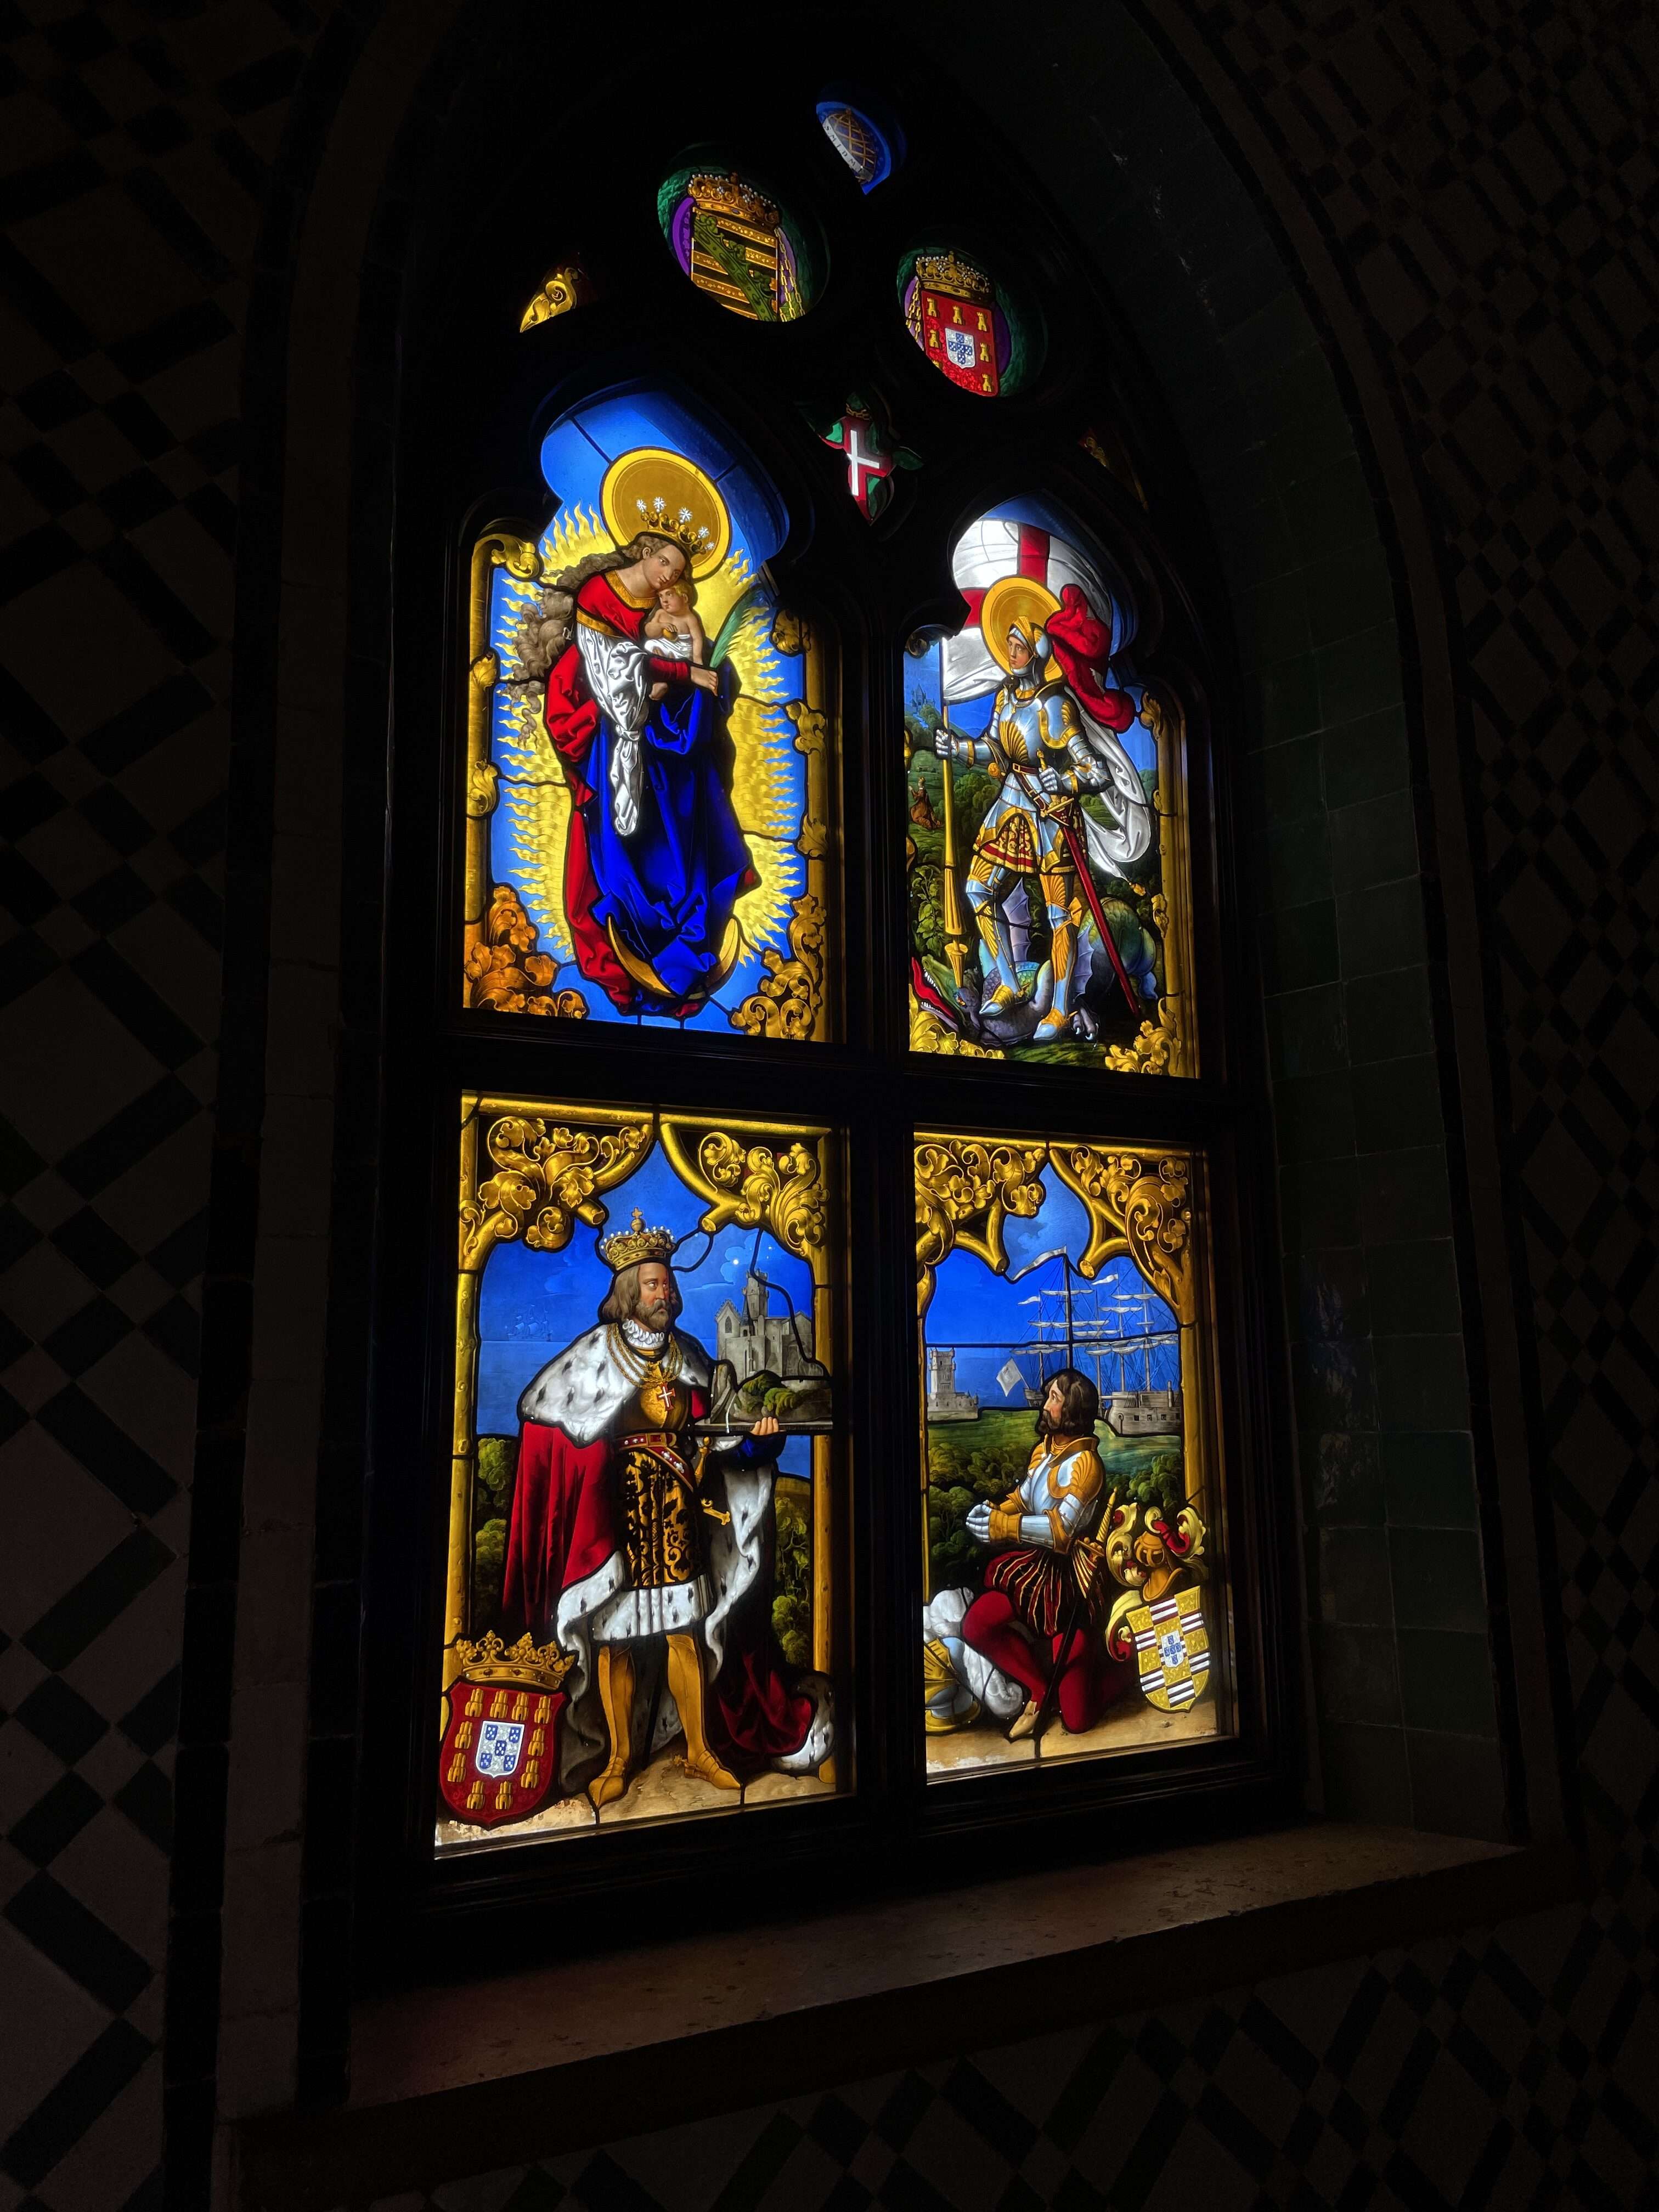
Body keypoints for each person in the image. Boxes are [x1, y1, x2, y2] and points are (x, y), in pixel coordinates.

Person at [500, 1211, 830, 1808]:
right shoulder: (593, 1356)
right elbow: (549, 1423)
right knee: (615, 1643)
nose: (666, 1294)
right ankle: (619, 1758)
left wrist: (760, 1441)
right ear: (630, 1291)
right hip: (616, 1525)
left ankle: (700, 1750)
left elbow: (720, 1441)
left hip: (678, 1518)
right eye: (653, 1285)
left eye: (669, 1285)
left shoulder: (690, 1356)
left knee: (686, 1636)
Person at [538, 527, 755, 1015]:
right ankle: (639, 933)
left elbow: (695, 662)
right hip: (616, 738)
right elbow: (610, 670)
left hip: (667, 752)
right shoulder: (599, 598)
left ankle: (688, 932)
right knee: (625, 842)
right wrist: (675, 676)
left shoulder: (673, 609)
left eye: (677, 573)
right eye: (664, 564)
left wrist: (694, 665)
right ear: (646, 553)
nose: (668, 577)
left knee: (691, 824)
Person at [935, 581, 1151, 1039]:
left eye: (1018, 645)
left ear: (1037, 649)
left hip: (1050, 815)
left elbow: (1095, 769)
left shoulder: (1056, 706)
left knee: (1059, 915)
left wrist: (1066, 781)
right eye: (1008, 645)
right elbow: (995, 749)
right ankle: (1010, 982)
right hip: (1010, 807)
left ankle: (1059, 1008)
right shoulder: (1005, 699)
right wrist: (958, 748)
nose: (1010, 653)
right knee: (977, 889)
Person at [961, 1367, 1135, 1738]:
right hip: (1035, 1568)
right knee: (977, 1625)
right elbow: (1024, 1499)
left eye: (1054, 1398)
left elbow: (1061, 1531)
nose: (1045, 1405)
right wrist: (993, 1512)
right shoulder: (1045, 1450)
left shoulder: (1086, 1465)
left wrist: (1003, 1527)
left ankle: (1130, 1673)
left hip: (1071, 1582)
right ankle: (1039, 1692)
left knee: (1077, 1720)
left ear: (1071, 1410)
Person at [641, 577, 707, 671]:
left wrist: (697, 659)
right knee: (649, 644)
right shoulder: (661, 613)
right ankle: (662, 661)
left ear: (684, 598)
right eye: (661, 596)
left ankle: (671, 664)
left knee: (681, 659)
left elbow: (697, 639)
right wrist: (661, 626)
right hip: (665, 646)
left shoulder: (689, 619)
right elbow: (650, 633)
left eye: (669, 594)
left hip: (682, 651)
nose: (664, 600)